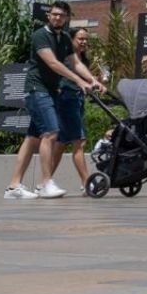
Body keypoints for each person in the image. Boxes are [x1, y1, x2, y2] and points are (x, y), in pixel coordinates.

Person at [4, 1, 104, 200]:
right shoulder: (40, 35)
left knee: (32, 137)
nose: (57, 17)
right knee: (51, 132)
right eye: (54, 14)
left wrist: (92, 80)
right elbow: (53, 63)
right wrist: (78, 81)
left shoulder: (65, 37)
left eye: (62, 15)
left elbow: (75, 62)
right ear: (48, 16)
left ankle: (14, 187)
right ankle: (45, 183)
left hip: (50, 91)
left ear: (66, 18)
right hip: (36, 89)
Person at [50, 27, 97, 195]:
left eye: (86, 39)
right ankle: (86, 183)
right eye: (80, 38)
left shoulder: (82, 59)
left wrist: (94, 83)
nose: (84, 42)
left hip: (76, 99)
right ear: (71, 40)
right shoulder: (67, 57)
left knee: (61, 144)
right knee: (79, 141)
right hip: (67, 98)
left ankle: (45, 181)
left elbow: (85, 79)